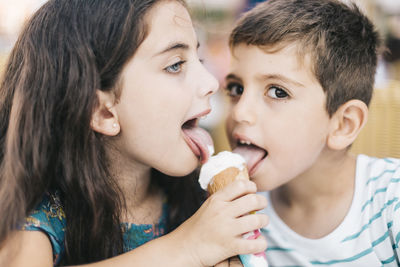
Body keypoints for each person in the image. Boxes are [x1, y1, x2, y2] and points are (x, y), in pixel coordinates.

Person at [0, 0, 268, 266]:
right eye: (175, 65)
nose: (211, 82)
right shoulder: (36, 214)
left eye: (198, 59)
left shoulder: (198, 202)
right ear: (103, 112)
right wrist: (186, 248)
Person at [224, 0, 400, 266]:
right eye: (236, 89)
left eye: (277, 91)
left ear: (344, 125)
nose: (239, 112)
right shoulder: (237, 218)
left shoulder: (392, 201)